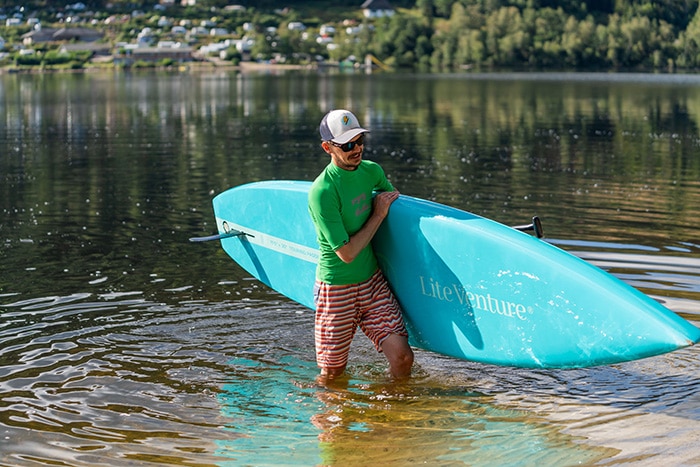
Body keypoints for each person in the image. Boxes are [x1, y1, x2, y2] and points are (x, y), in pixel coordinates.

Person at [308, 109, 414, 383]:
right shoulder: (323, 192)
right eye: (347, 145)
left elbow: (396, 211)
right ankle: (329, 425)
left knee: (403, 358)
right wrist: (377, 214)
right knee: (333, 375)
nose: (356, 149)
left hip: (371, 283)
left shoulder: (372, 172)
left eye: (359, 140)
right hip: (337, 289)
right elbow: (346, 253)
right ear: (327, 147)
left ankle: (392, 419)